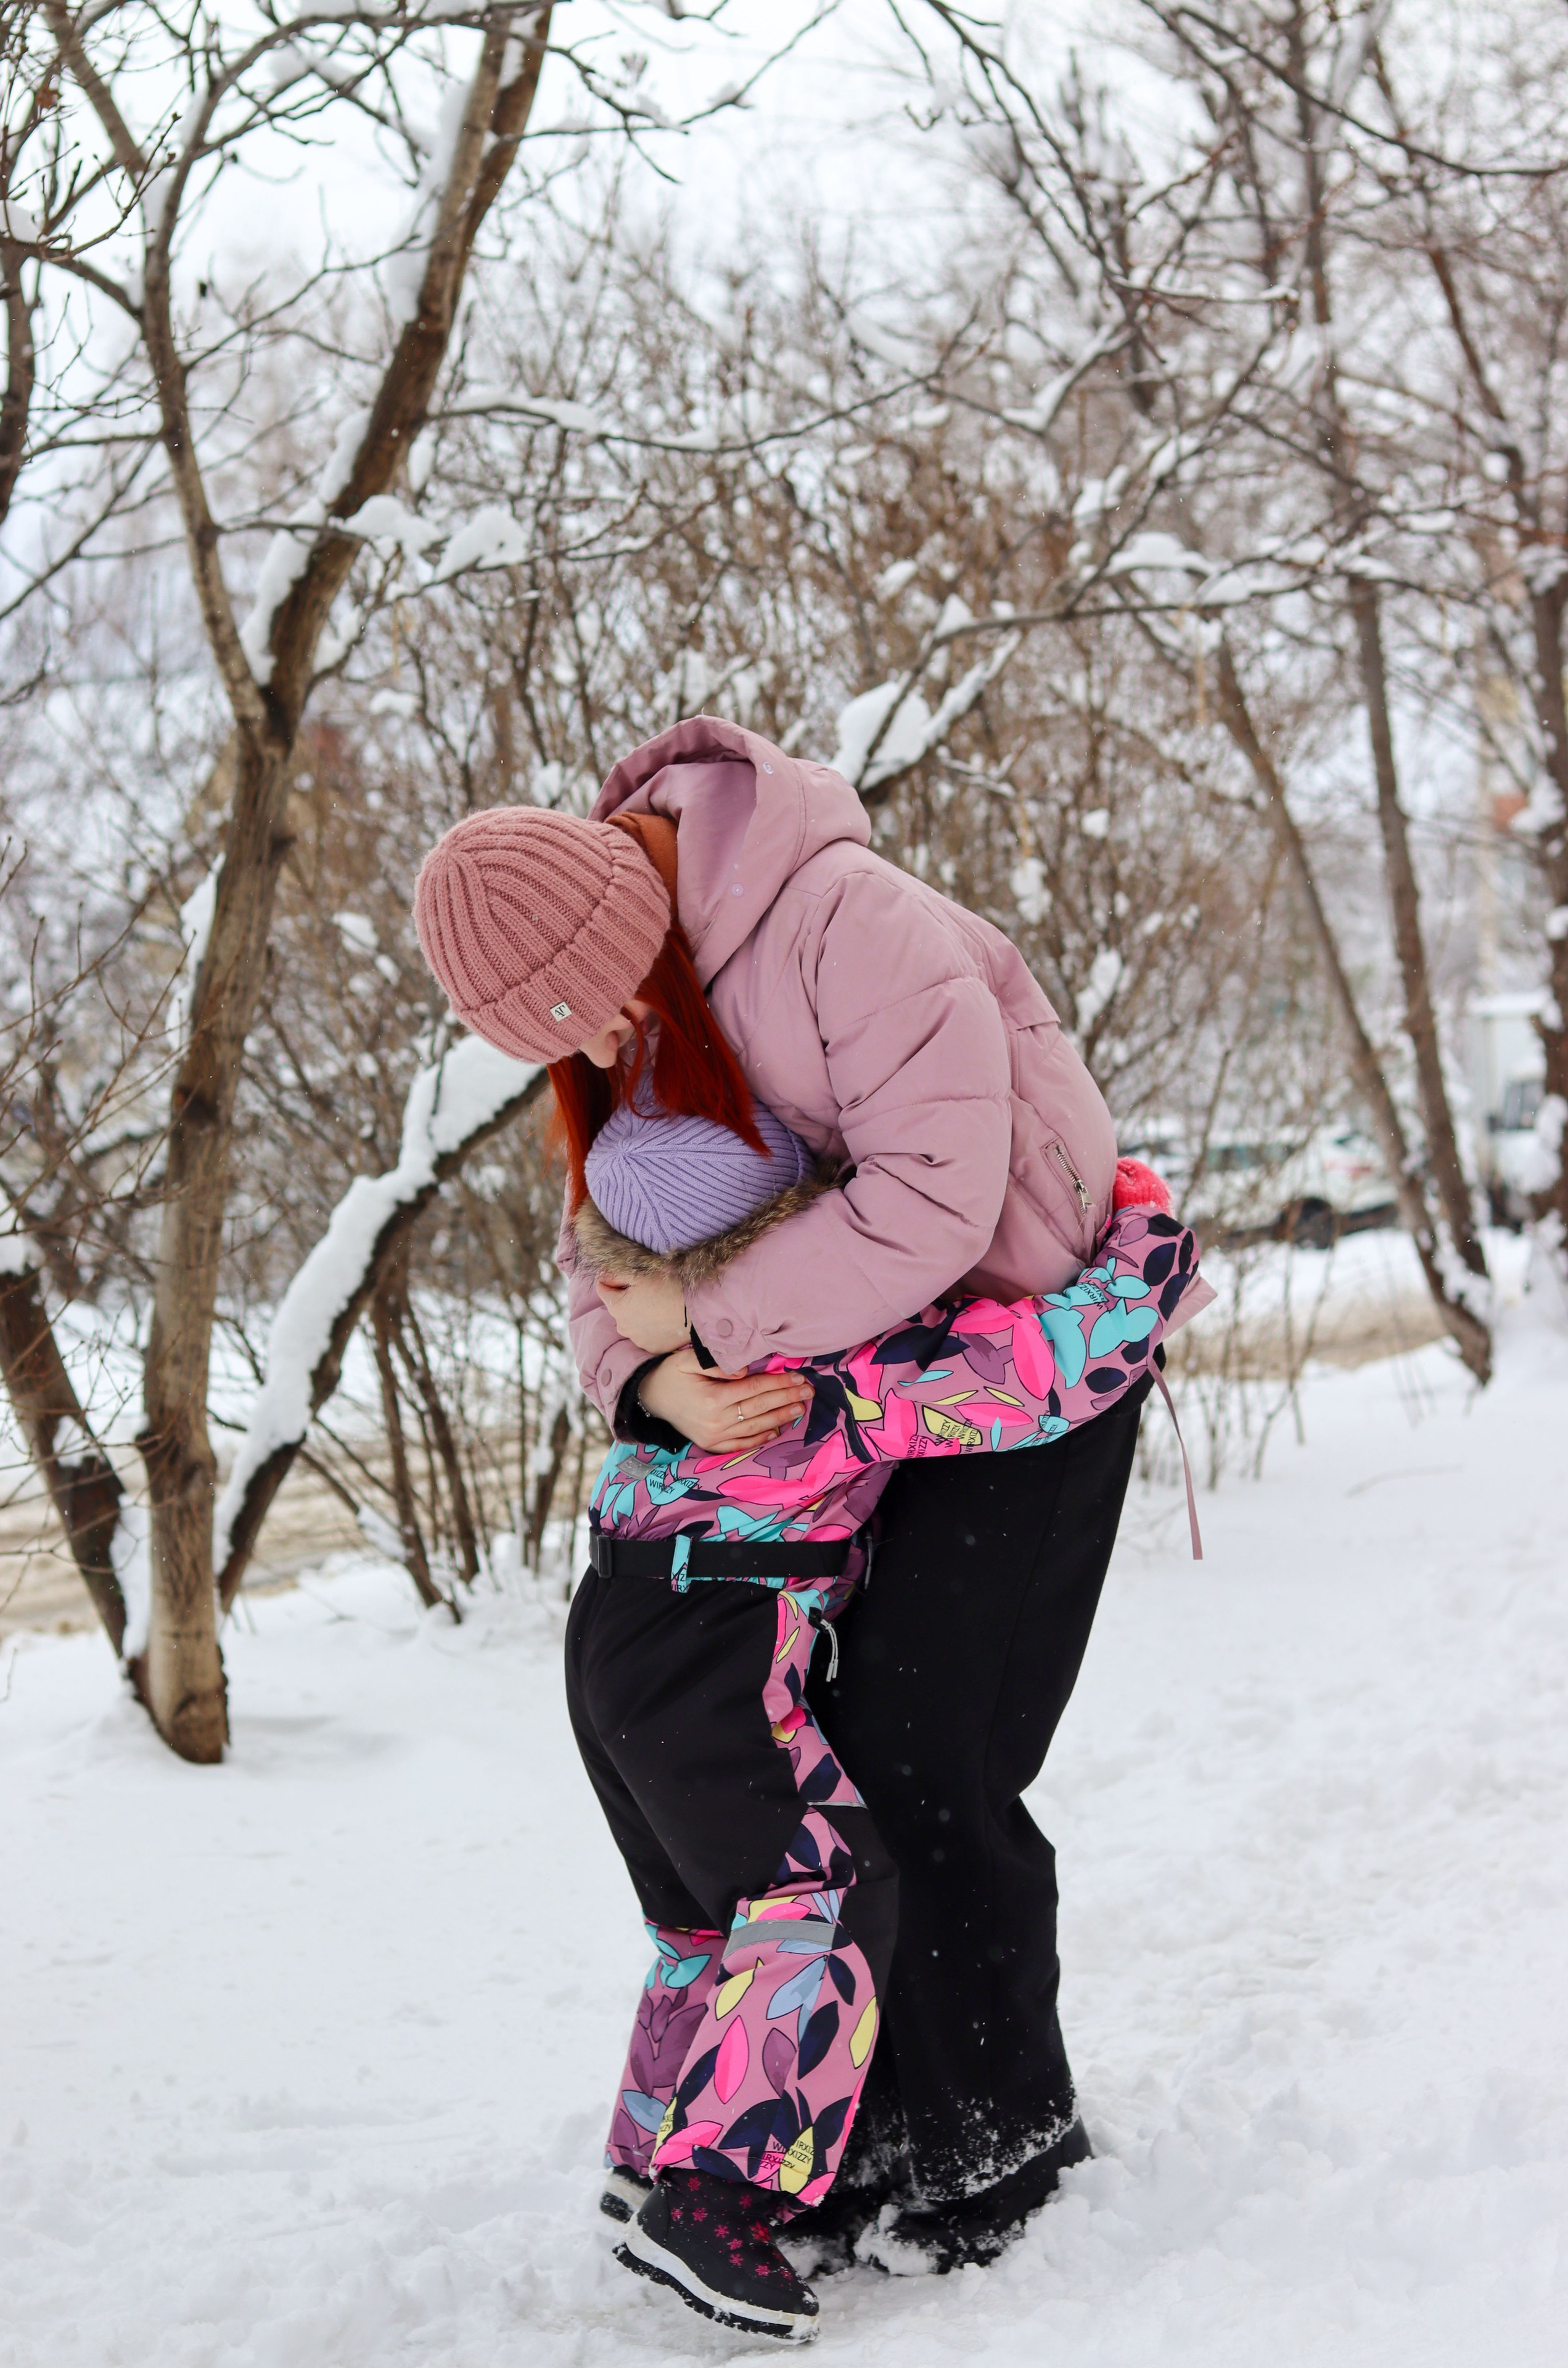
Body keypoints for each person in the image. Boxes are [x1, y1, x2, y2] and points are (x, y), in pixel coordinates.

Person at [413, 715, 1202, 2272]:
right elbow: (602, 1247)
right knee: (839, 1760)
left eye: (595, 1013)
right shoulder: (639, 1001)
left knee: (929, 1750)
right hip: (844, 1392)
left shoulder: (846, 920)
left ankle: (994, 2152)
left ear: (622, 927)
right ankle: (858, 2141)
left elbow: (935, 1200)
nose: (596, 1052)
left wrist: (709, 1322)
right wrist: (653, 1384)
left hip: (1021, 1367)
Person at [561, 1086, 1200, 2341]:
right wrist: (1145, 1241)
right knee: (825, 1896)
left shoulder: (669, 1374)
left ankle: (645, 2159)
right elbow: (1044, 1372)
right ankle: (716, 2202)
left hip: (611, 1637)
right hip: (717, 1653)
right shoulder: (814, 1369)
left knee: (707, 1924)